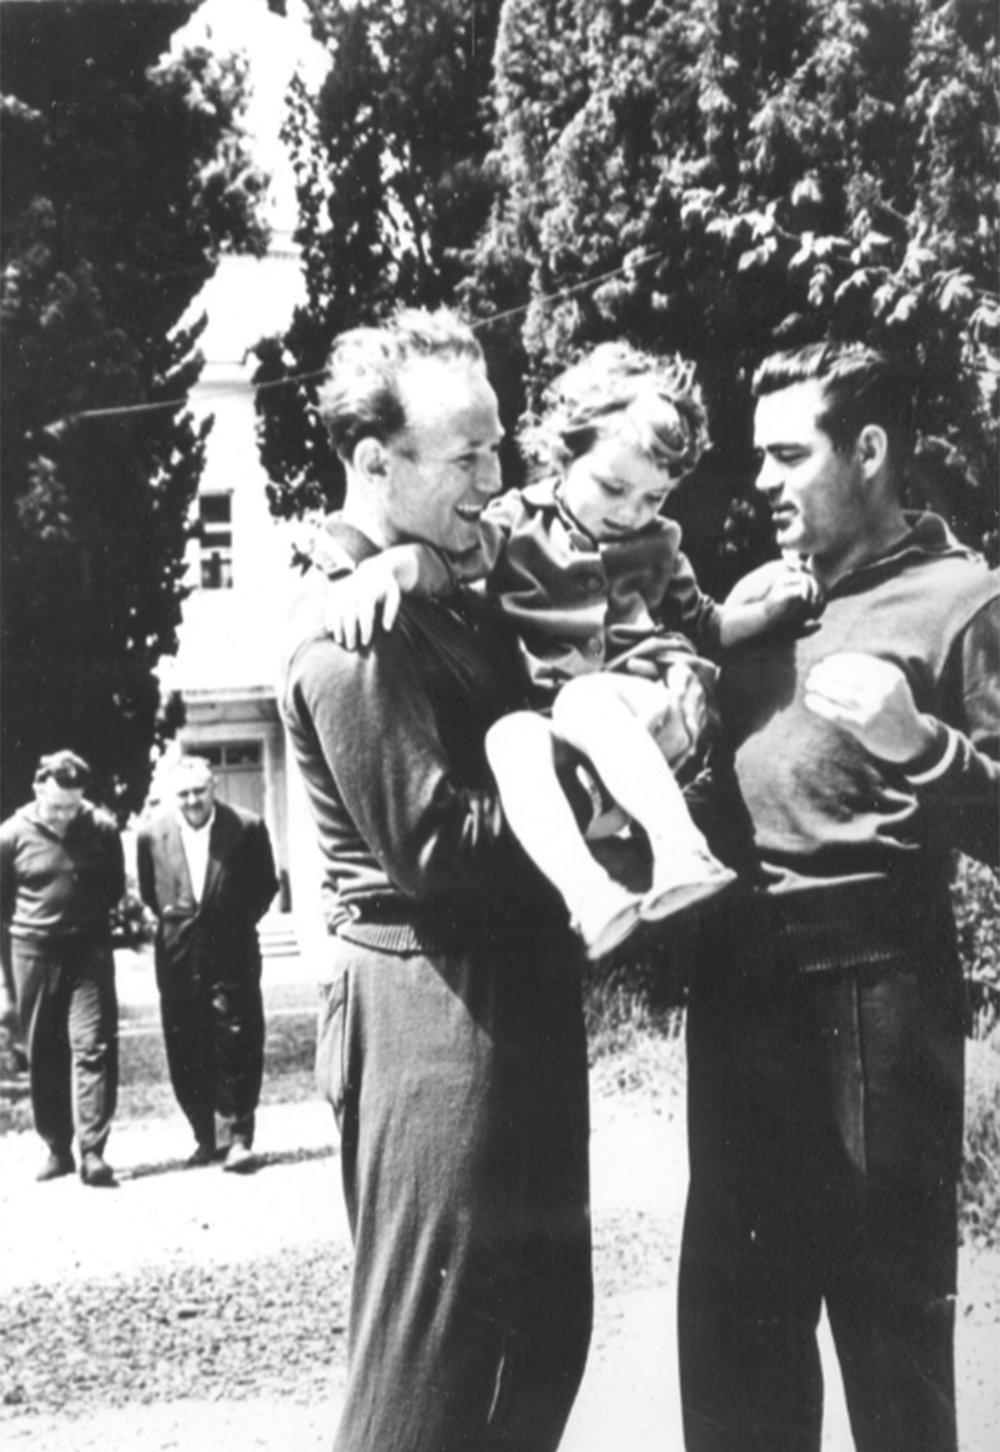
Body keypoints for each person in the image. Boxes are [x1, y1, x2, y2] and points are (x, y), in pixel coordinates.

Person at [279, 307, 594, 1452]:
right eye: (467, 457)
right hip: (434, 1009)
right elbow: (439, 848)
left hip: (508, 993)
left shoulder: (443, 589)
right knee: (434, 1368)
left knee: (543, 1340)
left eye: (498, 446)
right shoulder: (350, 629)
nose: (494, 479)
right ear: (376, 462)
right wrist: (601, 804)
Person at [677, 341, 1000, 1450]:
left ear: (868, 450)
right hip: (737, 990)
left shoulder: (964, 601)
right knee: (735, 1354)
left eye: (787, 455)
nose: (761, 482)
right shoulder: (760, 604)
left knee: (889, 1348)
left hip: (876, 992)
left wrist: (925, 748)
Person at [322, 342, 816, 958]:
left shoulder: (660, 545)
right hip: (554, 716)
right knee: (508, 740)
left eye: (654, 497)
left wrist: (772, 612)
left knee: (586, 700)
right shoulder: (513, 524)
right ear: (564, 456)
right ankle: (590, 895)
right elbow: (443, 568)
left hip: (636, 692)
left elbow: (706, 623)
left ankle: (681, 850)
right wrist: (386, 571)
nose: (631, 512)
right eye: (613, 487)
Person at [136, 755, 278, 1172]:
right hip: (179, 957)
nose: (192, 800)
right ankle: (205, 1136)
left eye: (199, 791)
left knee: (238, 1040)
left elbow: (265, 886)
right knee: (186, 1046)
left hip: (233, 953)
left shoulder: (247, 827)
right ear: (172, 796)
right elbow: (151, 893)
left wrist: (232, 920)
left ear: (214, 787)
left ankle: (239, 1138)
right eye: (183, 793)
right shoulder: (151, 835)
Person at [0, 750, 124, 1186]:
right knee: (44, 1051)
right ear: (38, 789)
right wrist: (5, 983)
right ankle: (57, 1147)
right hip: (33, 954)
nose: (64, 817)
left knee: (93, 1046)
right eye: (56, 808)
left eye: (73, 807)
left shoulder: (102, 828)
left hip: (88, 953)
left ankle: (93, 1151)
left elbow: (113, 888)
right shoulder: (10, 836)